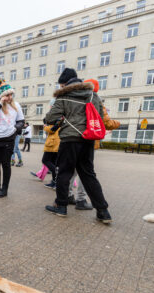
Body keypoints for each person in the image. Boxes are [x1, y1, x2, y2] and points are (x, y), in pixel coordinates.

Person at [44, 68, 112, 223]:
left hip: (70, 140)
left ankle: (61, 206)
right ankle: (103, 211)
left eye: (61, 85)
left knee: (64, 173)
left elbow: (50, 118)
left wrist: (62, 116)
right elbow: (100, 117)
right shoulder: (93, 94)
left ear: (64, 83)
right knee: (88, 174)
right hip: (88, 139)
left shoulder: (64, 96)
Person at [0, 79, 25, 198]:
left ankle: (4, 188)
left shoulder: (16, 105)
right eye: (7, 95)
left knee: (6, 164)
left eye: (10, 94)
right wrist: (0, 103)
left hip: (8, 138)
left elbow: (21, 121)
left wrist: (15, 129)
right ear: (2, 95)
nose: (9, 97)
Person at [41, 122, 60, 189]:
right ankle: (54, 182)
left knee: (45, 160)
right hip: (57, 143)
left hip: (53, 143)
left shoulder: (55, 119)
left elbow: (52, 129)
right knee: (53, 162)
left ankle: (57, 174)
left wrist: (45, 126)